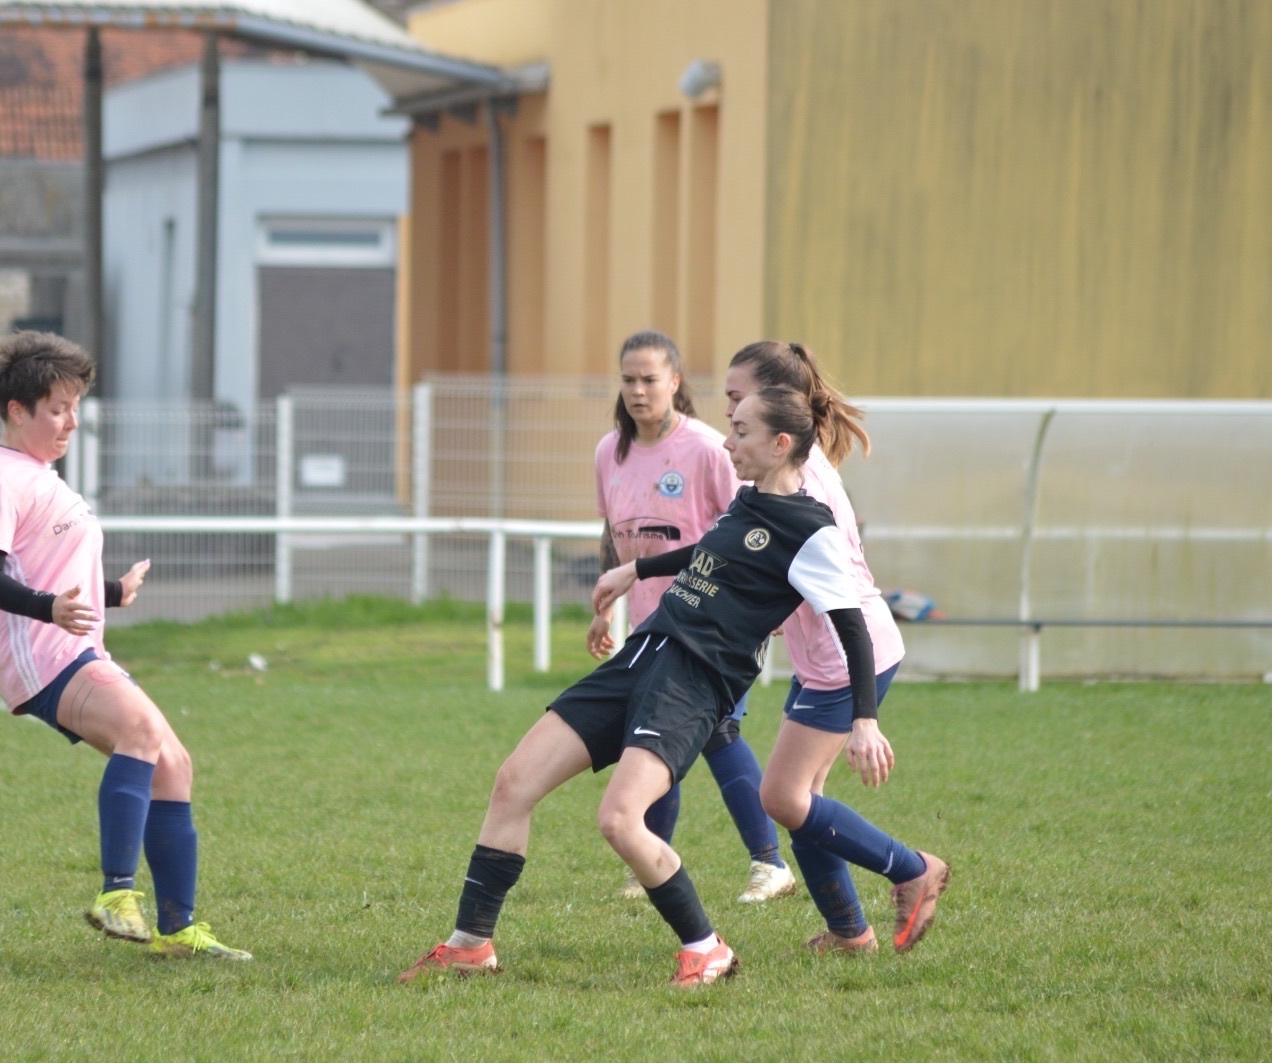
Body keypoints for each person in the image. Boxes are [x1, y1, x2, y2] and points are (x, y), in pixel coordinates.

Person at [399, 385, 892, 987]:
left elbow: (853, 627)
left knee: (619, 819)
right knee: (514, 782)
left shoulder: (812, 531)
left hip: (694, 682)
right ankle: (471, 944)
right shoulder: (748, 501)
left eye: (741, 431)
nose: (728, 442)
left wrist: (864, 719)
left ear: (780, 443)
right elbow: (708, 556)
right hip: (642, 656)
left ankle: (706, 949)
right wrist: (633, 569)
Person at [0, 331, 251, 962]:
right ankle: (116, 894)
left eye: (75, 408)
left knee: (173, 765)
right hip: (42, 654)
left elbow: (52, 564)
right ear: (17, 410)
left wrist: (112, 592)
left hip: (75, 645)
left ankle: (177, 930)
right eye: (57, 409)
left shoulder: (41, 475)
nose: (71, 422)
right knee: (140, 732)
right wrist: (49, 609)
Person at [715, 339, 948, 954]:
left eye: (738, 399)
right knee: (801, 801)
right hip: (826, 658)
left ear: (777, 406)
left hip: (850, 655)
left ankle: (913, 869)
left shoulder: (804, 481)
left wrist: (865, 720)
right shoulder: (788, 467)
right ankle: (850, 933)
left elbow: (838, 598)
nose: (731, 416)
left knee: (782, 796)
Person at [589, 329, 795, 905]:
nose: (637, 390)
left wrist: (767, 600)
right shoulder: (610, 451)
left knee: (719, 733)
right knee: (650, 737)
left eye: (649, 379)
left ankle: (770, 863)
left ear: (674, 382)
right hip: (653, 626)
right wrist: (605, 607)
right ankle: (650, 859)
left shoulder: (708, 448)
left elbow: (755, 525)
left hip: (717, 627)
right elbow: (613, 534)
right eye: (628, 379)